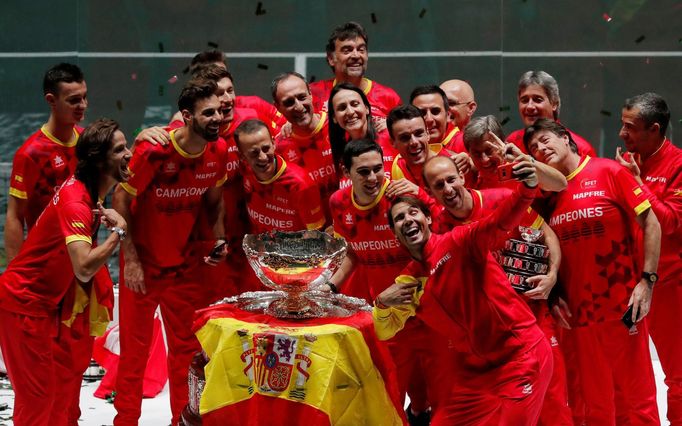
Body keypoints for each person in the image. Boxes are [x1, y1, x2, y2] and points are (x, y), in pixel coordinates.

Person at [375, 162, 552, 425]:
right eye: (399, 218)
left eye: (414, 213)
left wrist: (527, 188)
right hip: (477, 372)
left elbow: (500, 221)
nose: (408, 220)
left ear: (429, 219)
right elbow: (384, 330)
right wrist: (381, 304)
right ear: (394, 234)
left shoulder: (458, 242)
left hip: (520, 356)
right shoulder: (408, 281)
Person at [525, 118, 661, 425]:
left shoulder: (608, 171)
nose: (540, 149)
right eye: (534, 148)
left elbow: (651, 223)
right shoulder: (548, 197)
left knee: (637, 400)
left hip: (624, 307)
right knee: (595, 404)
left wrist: (647, 281)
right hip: (580, 317)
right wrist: (555, 294)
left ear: (566, 138)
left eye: (546, 140)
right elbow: (550, 252)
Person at [423, 155, 573, 425]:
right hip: (488, 337)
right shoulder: (438, 228)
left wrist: (551, 276)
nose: (447, 188)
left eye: (450, 179)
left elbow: (546, 231)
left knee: (552, 407)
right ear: (430, 193)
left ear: (462, 176)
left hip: (531, 317)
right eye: (438, 185)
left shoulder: (501, 198)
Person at [112, 79, 229, 426]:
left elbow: (214, 201)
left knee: (186, 354)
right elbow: (120, 200)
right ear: (186, 116)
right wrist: (130, 260)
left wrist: (218, 238)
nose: (216, 119)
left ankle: (182, 422)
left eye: (220, 112)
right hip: (143, 268)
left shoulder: (218, 150)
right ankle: (126, 422)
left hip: (183, 267)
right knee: (134, 358)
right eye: (207, 113)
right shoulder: (154, 152)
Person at [0, 118, 130, 425]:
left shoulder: (88, 193)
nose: (130, 154)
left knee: (65, 396)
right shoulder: (76, 202)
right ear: (99, 160)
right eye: (121, 149)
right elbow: (84, 267)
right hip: (25, 305)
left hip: (54, 305)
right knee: (38, 401)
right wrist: (119, 232)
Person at [616, 92, 682, 425]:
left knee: (678, 375)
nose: (622, 134)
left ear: (653, 129)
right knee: (628, 374)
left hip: (670, 288)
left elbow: (670, 222)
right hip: (629, 287)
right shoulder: (628, 162)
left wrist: (638, 184)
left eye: (630, 127)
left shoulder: (679, 165)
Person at [5, 63, 88, 262]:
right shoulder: (30, 154)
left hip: (85, 259)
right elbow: (15, 216)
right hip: (46, 261)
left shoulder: (89, 142)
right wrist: (14, 273)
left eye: (85, 97)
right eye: (74, 100)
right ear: (51, 100)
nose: (83, 105)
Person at [234, 119, 326, 233]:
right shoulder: (244, 170)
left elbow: (317, 235)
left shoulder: (301, 184)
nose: (263, 157)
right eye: (254, 153)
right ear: (241, 156)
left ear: (273, 144)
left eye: (266, 148)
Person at [310, 21, 401, 130]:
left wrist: (394, 127)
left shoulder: (389, 98)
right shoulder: (312, 95)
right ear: (331, 59)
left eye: (361, 50)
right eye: (347, 50)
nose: (356, 55)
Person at [271, 72, 336, 222]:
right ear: (278, 107)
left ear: (311, 94)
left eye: (302, 97)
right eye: (289, 102)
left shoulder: (338, 126)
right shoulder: (279, 149)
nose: (299, 107)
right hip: (313, 232)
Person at [463, 115, 567, 192]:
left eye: (489, 151)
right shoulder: (467, 177)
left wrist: (526, 161)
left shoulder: (519, 169)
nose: (484, 160)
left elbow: (561, 184)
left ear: (503, 143)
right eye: (477, 154)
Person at [506, 70, 596, 157]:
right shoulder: (513, 141)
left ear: (554, 104)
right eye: (524, 100)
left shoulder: (581, 149)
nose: (530, 106)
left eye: (537, 100)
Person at [328, 82, 398, 187]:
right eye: (342, 108)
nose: (350, 112)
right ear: (334, 118)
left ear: (367, 109)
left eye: (355, 104)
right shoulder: (339, 152)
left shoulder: (392, 136)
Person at [439, 79, 477, 150]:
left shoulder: (479, 146)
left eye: (450, 103)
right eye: (440, 104)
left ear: (471, 108)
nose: (443, 109)